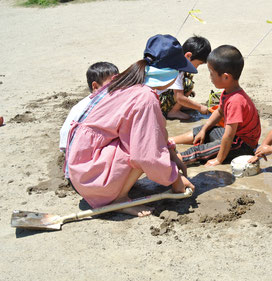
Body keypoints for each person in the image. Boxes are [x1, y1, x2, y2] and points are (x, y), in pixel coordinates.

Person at [65, 34, 196, 217]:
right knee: (143, 147)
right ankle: (118, 199)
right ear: (171, 73)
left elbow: (155, 131)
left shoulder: (129, 80)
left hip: (79, 168)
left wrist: (171, 153)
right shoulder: (146, 97)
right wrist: (175, 179)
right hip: (90, 176)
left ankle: (116, 186)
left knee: (145, 140)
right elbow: (147, 153)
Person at [170, 45, 261, 166]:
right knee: (204, 131)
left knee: (202, 151)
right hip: (232, 136)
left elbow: (228, 136)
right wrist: (204, 129)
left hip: (242, 145)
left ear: (226, 77)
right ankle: (170, 141)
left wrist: (219, 160)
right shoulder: (228, 91)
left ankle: (174, 160)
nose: (210, 77)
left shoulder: (236, 101)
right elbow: (219, 112)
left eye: (211, 73)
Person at [59, 62, 119, 152]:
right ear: (95, 86)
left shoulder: (110, 101)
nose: (117, 88)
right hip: (79, 151)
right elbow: (65, 138)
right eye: (111, 85)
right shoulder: (84, 108)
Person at [158, 35, 211, 120]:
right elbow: (179, 97)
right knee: (187, 84)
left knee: (188, 79)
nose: (197, 67)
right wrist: (200, 107)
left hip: (160, 96)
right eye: (198, 64)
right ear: (188, 56)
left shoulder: (175, 60)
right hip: (159, 102)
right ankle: (173, 112)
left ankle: (178, 107)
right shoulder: (177, 70)